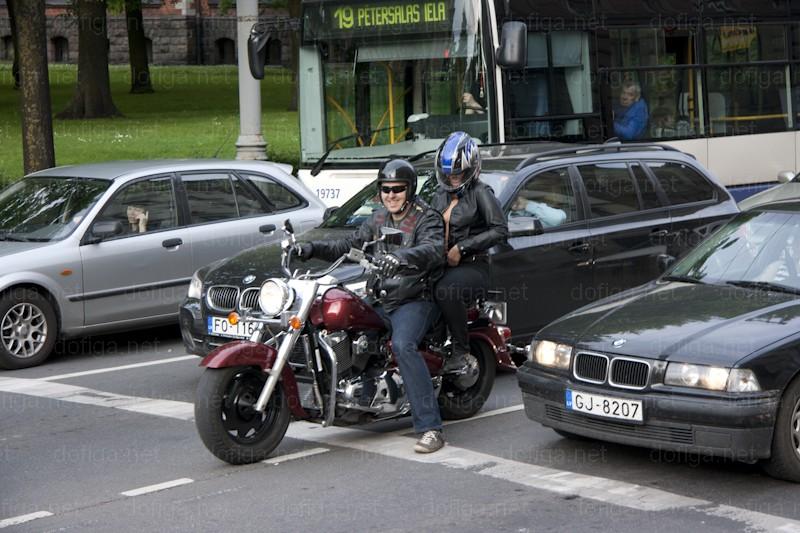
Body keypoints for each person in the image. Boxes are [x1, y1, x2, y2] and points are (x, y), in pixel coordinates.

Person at [295, 159, 447, 454]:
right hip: (380, 297)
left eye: (397, 189)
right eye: (385, 189)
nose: (391, 195)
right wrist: (310, 248)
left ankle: (431, 427)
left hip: (415, 298)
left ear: (410, 189)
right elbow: (347, 245)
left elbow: (434, 249)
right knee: (327, 320)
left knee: (403, 345)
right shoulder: (377, 219)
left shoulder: (426, 217)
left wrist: (403, 258)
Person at [431, 132, 508, 372]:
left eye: (458, 173)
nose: (453, 179)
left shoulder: (481, 193)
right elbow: (425, 225)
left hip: (473, 266)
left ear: (470, 169)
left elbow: (500, 230)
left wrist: (462, 247)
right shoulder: (439, 195)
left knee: (445, 289)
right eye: (448, 174)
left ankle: (461, 350)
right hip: (441, 264)